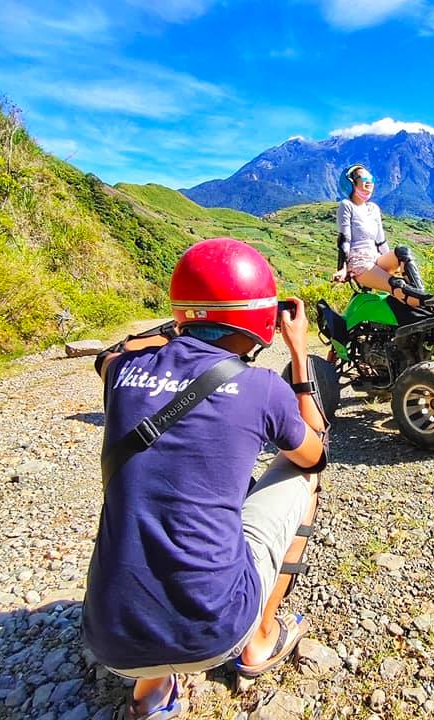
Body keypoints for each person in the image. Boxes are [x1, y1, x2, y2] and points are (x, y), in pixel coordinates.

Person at [82, 238, 328, 720]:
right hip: (216, 629)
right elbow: (314, 453)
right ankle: (258, 641)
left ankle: (150, 693)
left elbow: (111, 354)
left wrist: (178, 327)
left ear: (181, 315)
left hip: (110, 639)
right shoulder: (262, 387)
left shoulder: (121, 373)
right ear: (262, 315)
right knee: (303, 480)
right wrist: (299, 354)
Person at [331, 164, 428, 306]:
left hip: (376, 259)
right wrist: (342, 269)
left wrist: (393, 262)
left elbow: (381, 241)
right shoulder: (347, 205)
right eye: (363, 178)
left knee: (403, 252)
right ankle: (422, 303)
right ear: (351, 182)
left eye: (371, 178)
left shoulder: (373, 208)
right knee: (396, 284)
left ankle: (423, 297)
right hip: (360, 263)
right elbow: (345, 239)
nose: (369, 181)